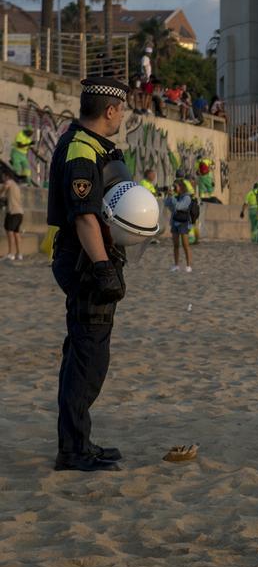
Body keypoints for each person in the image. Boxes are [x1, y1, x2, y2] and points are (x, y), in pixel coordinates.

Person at [46, 77, 132, 471]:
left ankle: (77, 441)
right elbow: (84, 216)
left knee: (81, 353)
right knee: (88, 359)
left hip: (83, 260)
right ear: (110, 110)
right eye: (122, 110)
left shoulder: (86, 143)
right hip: (83, 262)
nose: (123, 116)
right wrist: (101, 268)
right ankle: (74, 450)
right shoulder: (81, 151)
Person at [164, 179, 194, 273]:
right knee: (176, 245)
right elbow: (167, 204)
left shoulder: (187, 197)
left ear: (180, 187)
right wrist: (169, 196)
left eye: (175, 186)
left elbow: (178, 206)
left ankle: (188, 265)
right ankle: (176, 265)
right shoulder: (176, 196)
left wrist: (172, 197)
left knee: (185, 245)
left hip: (184, 223)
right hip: (175, 222)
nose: (174, 188)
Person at [2, 175, 23, 260]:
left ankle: (11, 253)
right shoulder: (17, 186)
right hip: (20, 212)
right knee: (16, 233)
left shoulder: (9, 182)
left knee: (10, 232)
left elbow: (5, 186)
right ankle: (19, 253)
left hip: (12, 211)